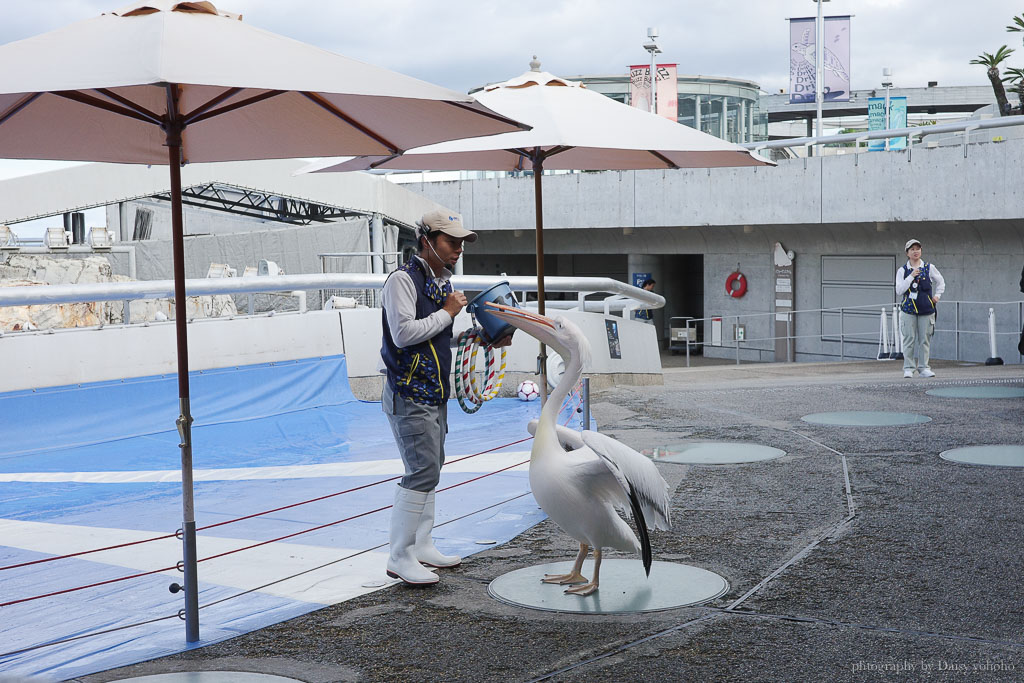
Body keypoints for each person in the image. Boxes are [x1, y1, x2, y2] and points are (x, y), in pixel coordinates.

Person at [380, 209, 510, 585]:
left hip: (433, 393)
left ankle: (421, 545)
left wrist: (483, 336)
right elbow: (404, 334)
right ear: (427, 240)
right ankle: (399, 555)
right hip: (409, 392)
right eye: (451, 242)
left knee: (430, 469)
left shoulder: (440, 284)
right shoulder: (402, 281)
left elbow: (437, 336)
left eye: (460, 244)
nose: (458, 250)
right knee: (421, 471)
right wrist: (449, 311)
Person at [896, 239, 945, 378]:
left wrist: (937, 295)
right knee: (909, 339)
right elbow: (899, 290)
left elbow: (940, 281)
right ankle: (909, 368)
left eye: (918, 248)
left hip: (926, 309)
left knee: (925, 339)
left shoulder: (929, 267)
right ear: (907, 253)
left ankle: (924, 367)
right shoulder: (902, 270)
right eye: (912, 249)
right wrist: (911, 277)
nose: (915, 251)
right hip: (908, 310)